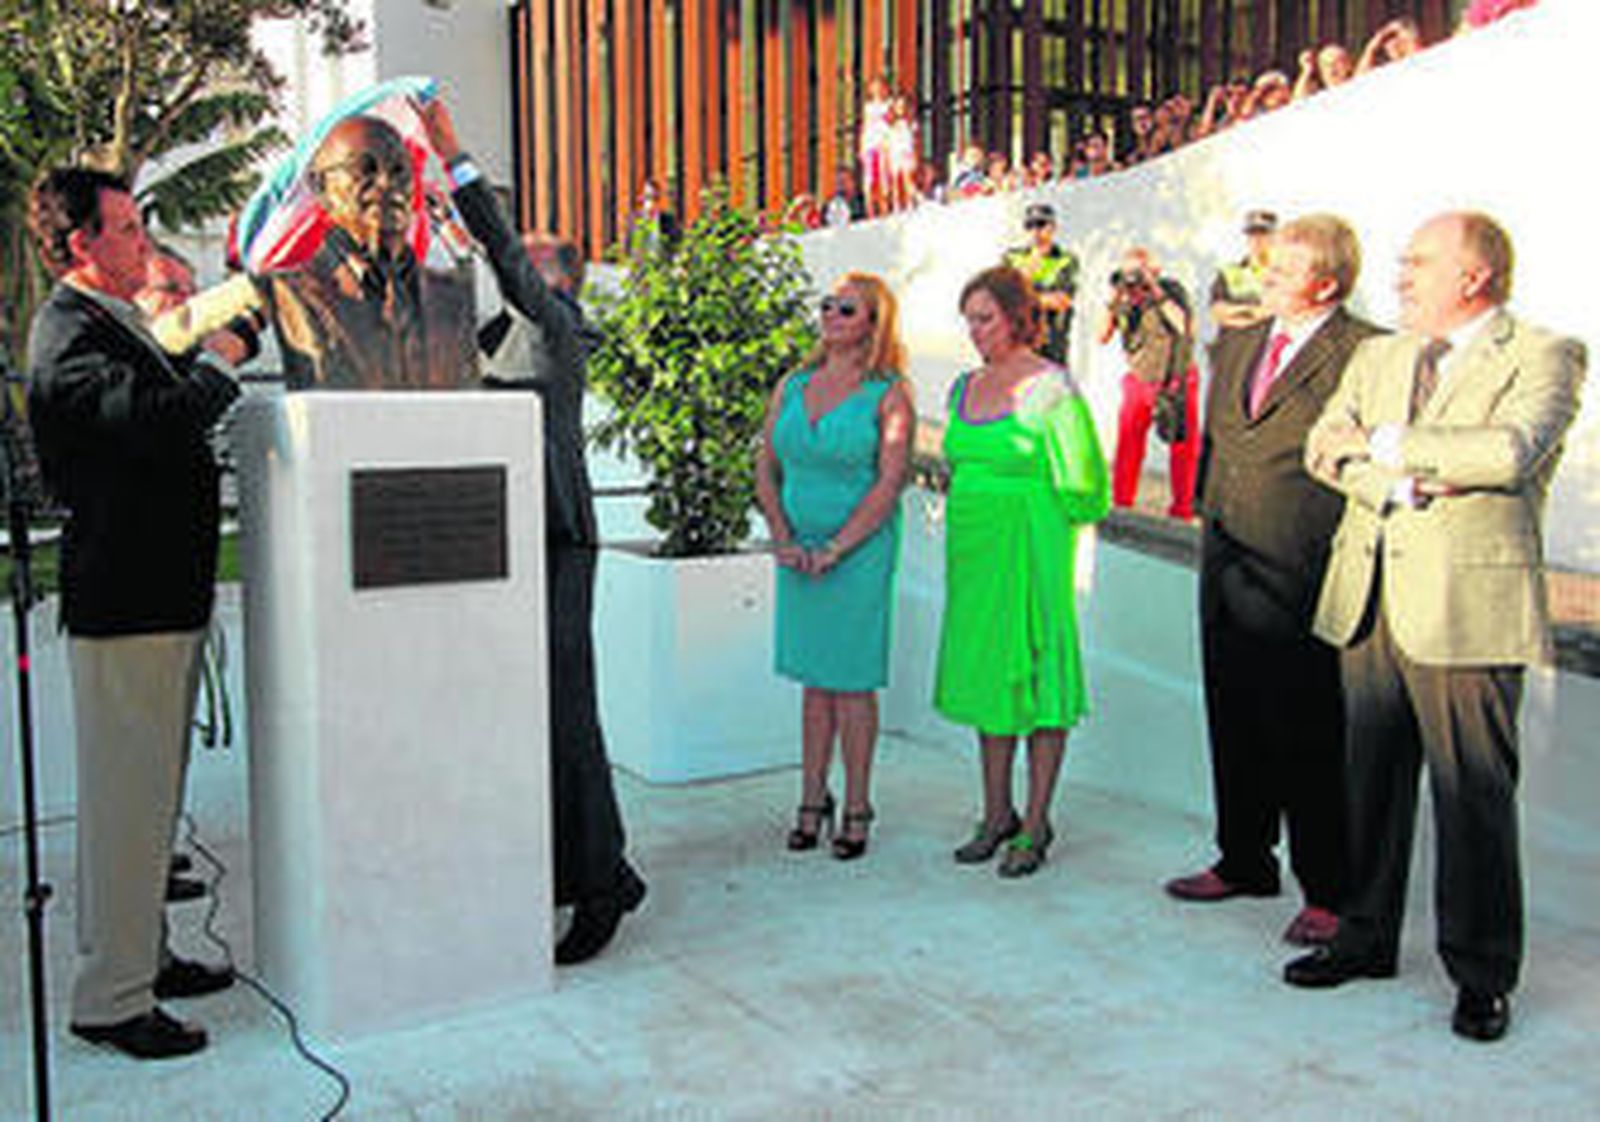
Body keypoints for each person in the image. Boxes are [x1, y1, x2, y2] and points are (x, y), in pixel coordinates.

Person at [1286, 212, 1586, 1043]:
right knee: (1369, 784)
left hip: (1466, 606)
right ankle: (1366, 935)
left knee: (1472, 796)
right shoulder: (1378, 353)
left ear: (1475, 275)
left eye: (1420, 262)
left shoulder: (1542, 355)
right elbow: (1320, 446)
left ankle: (1482, 974)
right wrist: (1402, 485)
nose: (1401, 273)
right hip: (1370, 594)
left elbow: (1507, 452)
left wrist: (1383, 443)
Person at [417, 99, 648, 964]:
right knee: (527, 717)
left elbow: (502, 256)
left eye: (523, 262)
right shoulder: (488, 336)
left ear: (556, 279)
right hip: (499, 544)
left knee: (565, 717)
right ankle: (586, 872)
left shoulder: (551, 325)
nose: (502, 271)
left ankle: (602, 883)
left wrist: (456, 163)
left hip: (555, 540)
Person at [25, 167, 248, 1059]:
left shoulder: (109, 324)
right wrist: (222, 364)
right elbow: (156, 423)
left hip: (158, 595)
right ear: (80, 244)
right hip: (127, 600)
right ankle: (111, 999)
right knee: (126, 807)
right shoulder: (67, 336)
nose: (142, 245)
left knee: (150, 804)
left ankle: (142, 959)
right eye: (124, 231)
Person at [1167, 215, 1384, 946]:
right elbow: (1220, 438)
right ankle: (1244, 857)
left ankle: (1327, 886)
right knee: (1233, 712)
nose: (1266, 279)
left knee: (1310, 730)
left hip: (1306, 565)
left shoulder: (1365, 351)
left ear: (1327, 281)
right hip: (1230, 559)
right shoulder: (1240, 340)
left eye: (1285, 270)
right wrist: (1205, 516)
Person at [936, 266, 1109, 878]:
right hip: (975, 553)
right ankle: (995, 813)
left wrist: (1038, 517)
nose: (976, 331)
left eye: (986, 317)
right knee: (989, 676)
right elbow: (956, 460)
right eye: (970, 319)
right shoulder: (963, 387)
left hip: (1031, 549)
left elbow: (1087, 485)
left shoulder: (1050, 386)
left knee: (1037, 677)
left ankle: (1035, 822)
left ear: (1017, 317)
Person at [755, 273, 914, 860]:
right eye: (826, 305)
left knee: (850, 684)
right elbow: (766, 466)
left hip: (858, 552)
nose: (831, 315)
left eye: (847, 308)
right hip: (798, 551)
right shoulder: (793, 384)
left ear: (874, 323)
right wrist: (782, 536)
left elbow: (890, 482)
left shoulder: (890, 392)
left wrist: (837, 548)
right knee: (813, 681)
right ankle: (811, 797)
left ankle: (858, 804)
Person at [256, 113, 478, 389]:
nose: (386, 183)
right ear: (320, 186)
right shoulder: (287, 292)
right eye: (365, 169)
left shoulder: (453, 297)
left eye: (399, 170)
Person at [1098, 248, 1199, 519]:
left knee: (1183, 447)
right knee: (1128, 443)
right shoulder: (1124, 301)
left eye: (1137, 273)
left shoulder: (1171, 291)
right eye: (1127, 273)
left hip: (1175, 377)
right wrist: (1115, 297)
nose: (1132, 283)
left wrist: (1153, 289)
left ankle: (1182, 509)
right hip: (1139, 378)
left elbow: (1185, 326)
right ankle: (1122, 504)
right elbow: (1101, 335)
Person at [1002, 202, 1079, 365]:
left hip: (1053, 347)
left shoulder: (1065, 260)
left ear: (1053, 227)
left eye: (1041, 224)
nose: (1035, 231)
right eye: (1030, 225)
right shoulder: (1012, 257)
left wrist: (1023, 295)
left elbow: (1061, 301)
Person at [1210, 210, 1277, 333]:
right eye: (1252, 234)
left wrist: (1237, 313)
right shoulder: (1228, 273)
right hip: (1233, 347)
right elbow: (1218, 314)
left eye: (1263, 233)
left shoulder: (1286, 275)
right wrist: (1254, 313)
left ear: (1275, 237)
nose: (1257, 239)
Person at [859, 77, 894, 218]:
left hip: (885, 143)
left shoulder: (890, 104)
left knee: (884, 177)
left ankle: (885, 208)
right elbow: (866, 126)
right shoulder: (868, 107)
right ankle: (871, 211)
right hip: (871, 143)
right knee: (870, 178)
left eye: (881, 87)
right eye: (875, 87)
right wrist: (862, 146)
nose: (878, 90)